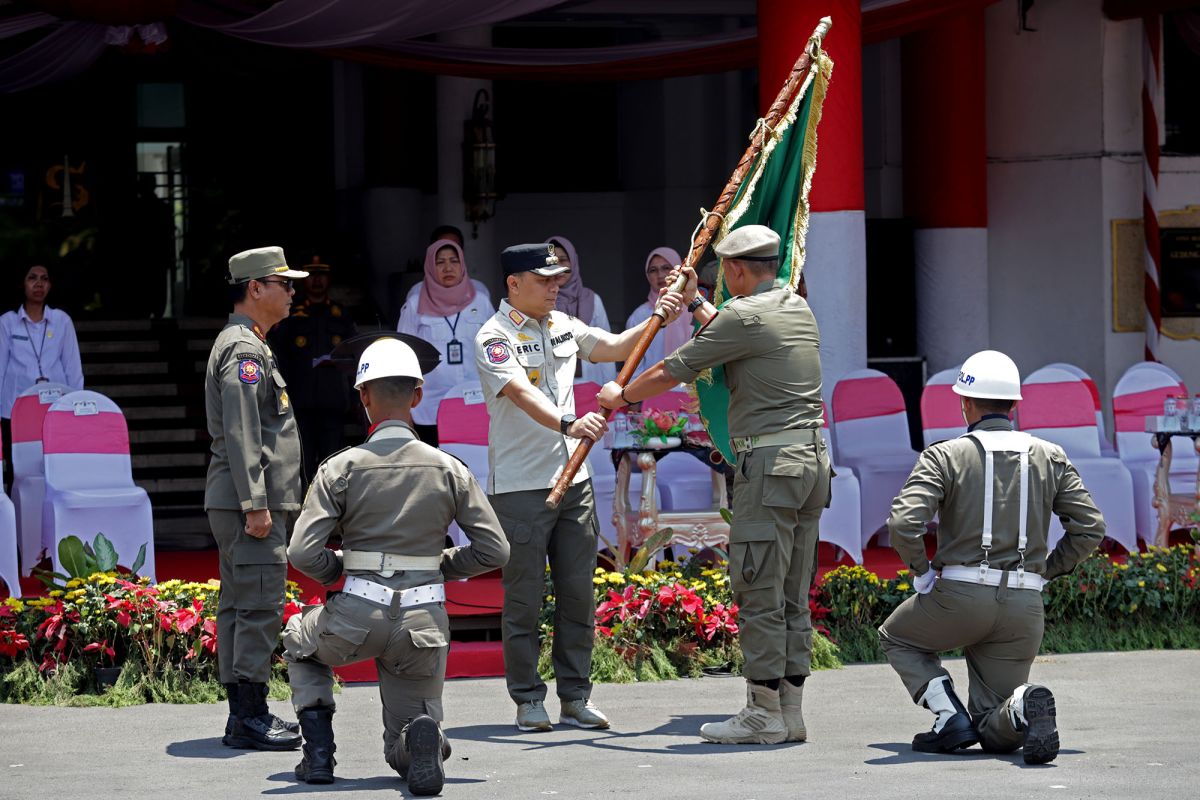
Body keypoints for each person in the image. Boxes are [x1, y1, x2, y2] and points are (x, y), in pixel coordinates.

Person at [597, 225, 827, 745]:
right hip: (810, 461)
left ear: (738, 270)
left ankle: (762, 712)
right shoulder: (794, 306)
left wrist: (622, 394)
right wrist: (698, 302)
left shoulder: (745, 315)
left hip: (769, 466)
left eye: (724, 270)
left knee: (758, 588)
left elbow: (675, 368)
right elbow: (731, 330)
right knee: (791, 590)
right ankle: (789, 711)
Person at [283, 337, 509, 794]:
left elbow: (302, 553)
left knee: (298, 640)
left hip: (355, 616)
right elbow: (495, 550)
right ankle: (420, 738)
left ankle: (319, 755)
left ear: (363, 396)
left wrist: (339, 570)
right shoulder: (449, 467)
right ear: (419, 395)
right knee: (402, 741)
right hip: (423, 622)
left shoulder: (340, 468)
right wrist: (439, 566)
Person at [475, 242, 684, 733]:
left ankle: (575, 696)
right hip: (522, 485)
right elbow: (521, 393)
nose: (556, 287)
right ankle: (528, 698)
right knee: (524, 597)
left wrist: (659, 314)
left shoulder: (562, 324)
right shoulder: (494, 336)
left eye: (558, 278)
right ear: (513, 284)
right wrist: (568, 423)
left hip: (576, 480)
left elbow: (615, 346)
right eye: (545, 279)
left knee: (578, 595)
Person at [877, 349, 1105, 764]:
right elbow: (1090, 528)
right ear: (1016, 404)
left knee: (896, 636)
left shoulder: (944, 454)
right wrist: (1047, 572)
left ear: (964, 402)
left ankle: (947, 716)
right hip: (1023, 607)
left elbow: (903, 523)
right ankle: (1021, 705)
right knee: (995, 729)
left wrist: (922, 571)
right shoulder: (1051, 455)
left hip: (959, 595)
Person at [204, 245, 309, 751]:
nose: (292, 292)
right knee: (259, 606)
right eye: (284, 283)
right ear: (255, 288)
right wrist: (257, 504)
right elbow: (244, 431)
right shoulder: (245, 350)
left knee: (240, 604)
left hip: (239, 498)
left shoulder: (250, 344)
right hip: (249, 501)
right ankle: (249, 715)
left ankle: (240, 715)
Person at [269, 255, 358, 483]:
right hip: (301, 404)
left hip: (333, 403)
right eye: (312, 275)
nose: (317, 280)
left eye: (322, 274)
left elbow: (354, 359)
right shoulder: (289, 315)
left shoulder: (342, 315)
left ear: (329, 279)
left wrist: (356, 399)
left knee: (334, 463)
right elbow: (279, 360)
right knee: (303, 464)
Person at [397, 239, 495, 446]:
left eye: (454, 261)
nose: (448, 268)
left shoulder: (481, 302)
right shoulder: (415, 305)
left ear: (462, 266)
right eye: (440, 262)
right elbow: (403, 357)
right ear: (431, 267)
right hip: (429, 406)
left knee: (474, 466)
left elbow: (495, 350)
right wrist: (404, 407)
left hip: (475, 401)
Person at [0, 263, 84, 475]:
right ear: (22, 284)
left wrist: (75, 406)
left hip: (55, 408)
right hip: (15, 411)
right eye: (32, 278)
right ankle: (19, 509)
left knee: (57, 469)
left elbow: (73, 369)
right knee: (18, 472)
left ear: (50, 285)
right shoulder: (7, 323)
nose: (39, 283)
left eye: (44, 278)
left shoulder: (61, 321)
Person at [545, 235, 615, 385]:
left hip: (591, 384)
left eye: (564, 260)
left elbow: (607, 348)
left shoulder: (592, 300)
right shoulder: (538, 302)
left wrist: (610, 387)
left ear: (573, 262)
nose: (559, 267)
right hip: (552, 388)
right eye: (552, 261)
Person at [624, 247, 692, 382]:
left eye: (666, 268)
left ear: (677, 270)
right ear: (647, 275)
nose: (660, 275)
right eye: (653, 270)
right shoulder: (640, 315)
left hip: (690, 394)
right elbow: (633, 361)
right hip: (651, 392)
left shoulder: (693, 308)